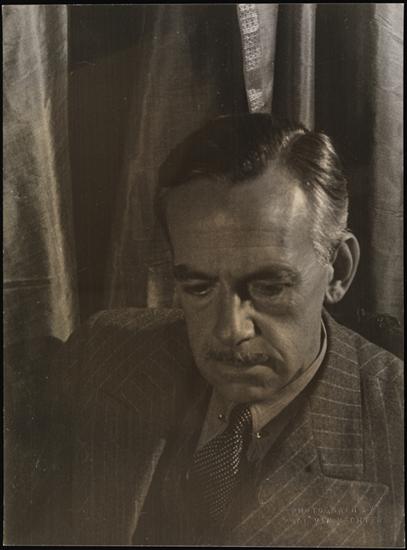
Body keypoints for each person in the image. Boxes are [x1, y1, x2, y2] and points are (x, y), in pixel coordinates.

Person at [17, 114, 404, 546]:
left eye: (269, 287)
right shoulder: (103, 352)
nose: (229, 330)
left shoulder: (394, 428)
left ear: (339, 271)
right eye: (198, 287)